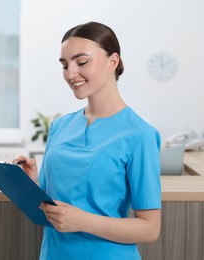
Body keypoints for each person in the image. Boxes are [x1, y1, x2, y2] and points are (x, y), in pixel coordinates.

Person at [14, 21, 161, 260]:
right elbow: (60, 207)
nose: (71, 73)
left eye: (82, 62)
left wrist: (84, 221)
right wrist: (35, 186)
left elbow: (150, 228)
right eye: (65, 65)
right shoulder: (60, 126)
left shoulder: (140, 135)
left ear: (112, 62)